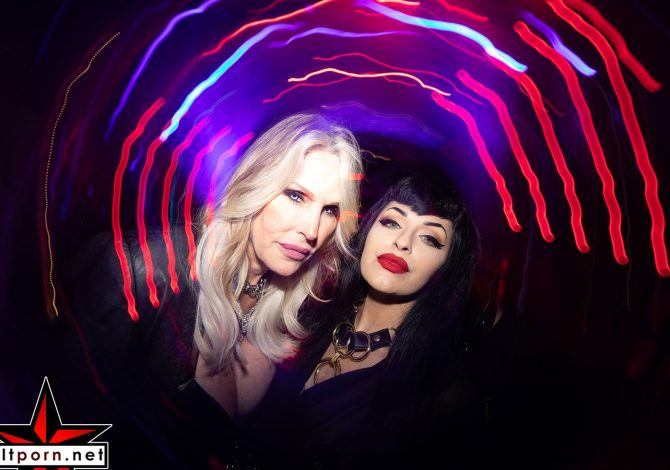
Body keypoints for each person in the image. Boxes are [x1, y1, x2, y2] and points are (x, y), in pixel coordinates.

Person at [60, 112, 363, 468]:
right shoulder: (134, 271)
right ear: (252, 183)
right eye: (295, 196)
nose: (312, 230)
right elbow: (55, 442)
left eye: (329, 210)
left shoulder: (288, 307)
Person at [243, 174, 480, 468]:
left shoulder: (440, 390)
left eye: (429, 238)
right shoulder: (306, 313)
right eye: (392, 222)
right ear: (368, 231)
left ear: (446, 268)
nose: (402, 242)